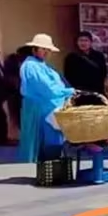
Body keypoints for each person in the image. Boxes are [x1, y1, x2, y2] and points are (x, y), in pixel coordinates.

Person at [16, 34, 74, 164]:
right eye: (43, 49)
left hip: (51, 110)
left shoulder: (44, 66)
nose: (46, 52)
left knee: (53, 144)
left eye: (48, 50)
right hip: (38, 110)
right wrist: (69, 91)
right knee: (39, 144)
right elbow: (46, 88)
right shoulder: (31, 66)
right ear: (34, 49)